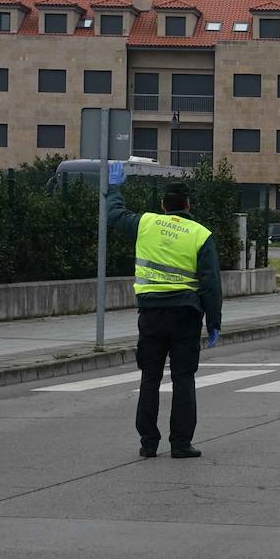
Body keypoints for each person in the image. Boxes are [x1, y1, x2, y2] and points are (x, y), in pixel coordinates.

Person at [107, 170, 222, 459]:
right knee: (184, 378)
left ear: (162, 205)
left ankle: (148, 443)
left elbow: (115, 216)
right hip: (186, 315)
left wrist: (114, 188)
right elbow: (211, 283)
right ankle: (181, 444)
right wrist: (214, 321)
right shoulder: (200, 234)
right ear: (187, 205)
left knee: (150, 377)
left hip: (151, 314)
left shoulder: (145, 223)